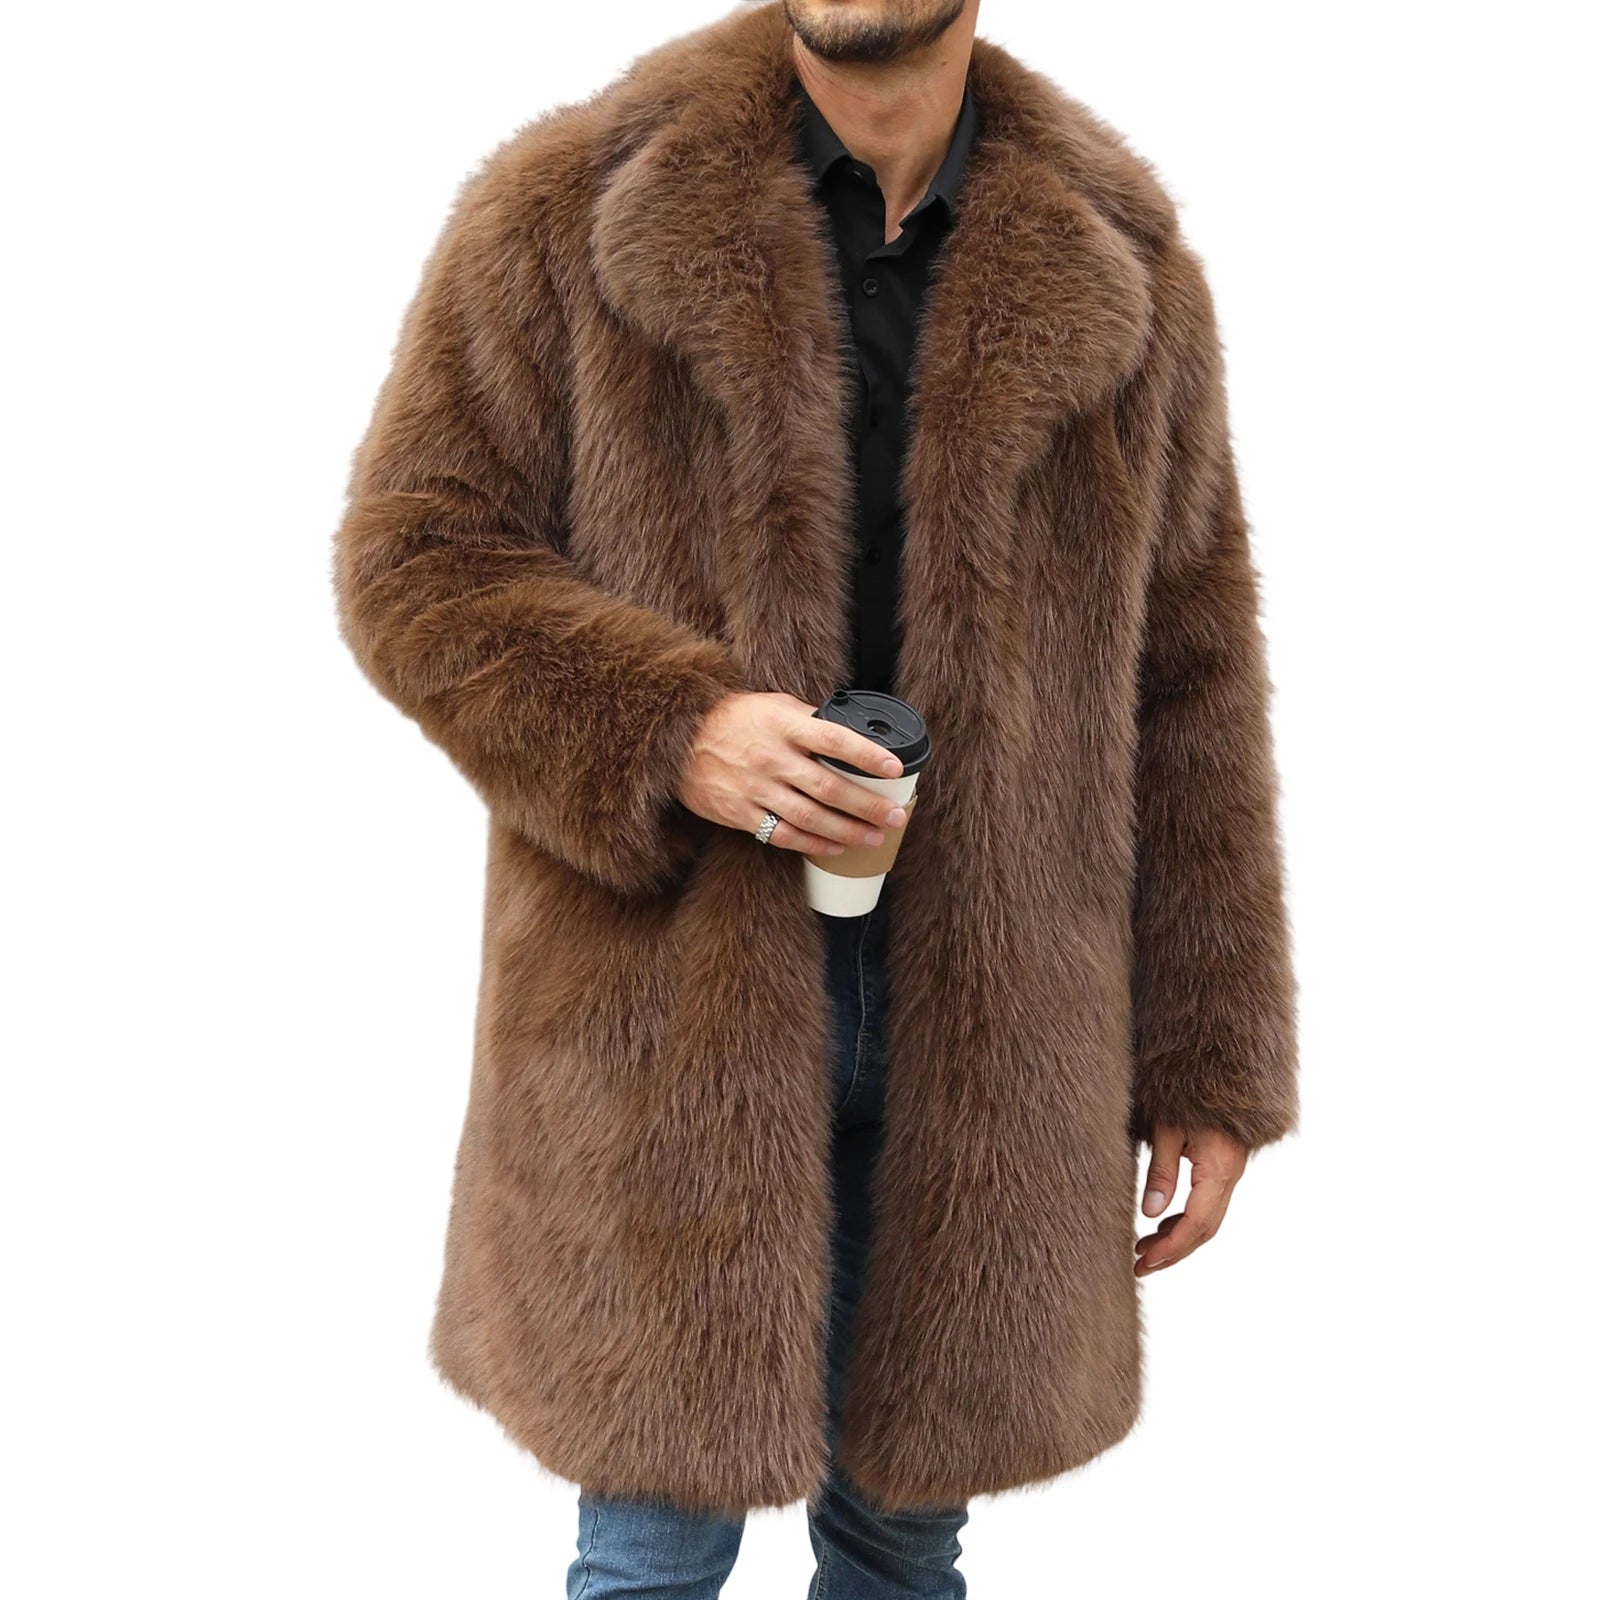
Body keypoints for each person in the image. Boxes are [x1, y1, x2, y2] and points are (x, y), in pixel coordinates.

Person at [331, 2, 1300, 1595]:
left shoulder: (1121, 262)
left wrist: (1208, 1052)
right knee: (649, 1554)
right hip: (661, 1005)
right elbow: (415, 559)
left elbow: (1192, 675)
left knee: (904, 1546)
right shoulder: (566, 210)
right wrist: (671, 729)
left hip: (992, 1025)